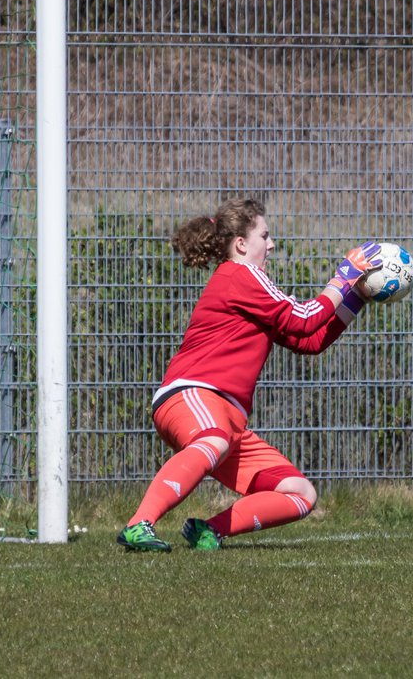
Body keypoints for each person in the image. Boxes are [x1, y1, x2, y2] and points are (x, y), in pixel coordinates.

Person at [116, 197, 383, 552]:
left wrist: (356, 298)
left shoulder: (250, 285)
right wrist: (344, 277)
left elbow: (310, 340)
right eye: (265, 235)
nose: (271, 244)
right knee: (214, 440)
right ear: (241, 244)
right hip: (193, 394)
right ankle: (138, 524)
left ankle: (208, 530)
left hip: (229, 421)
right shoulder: (241, 275)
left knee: (300, 493)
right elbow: (304, 318)